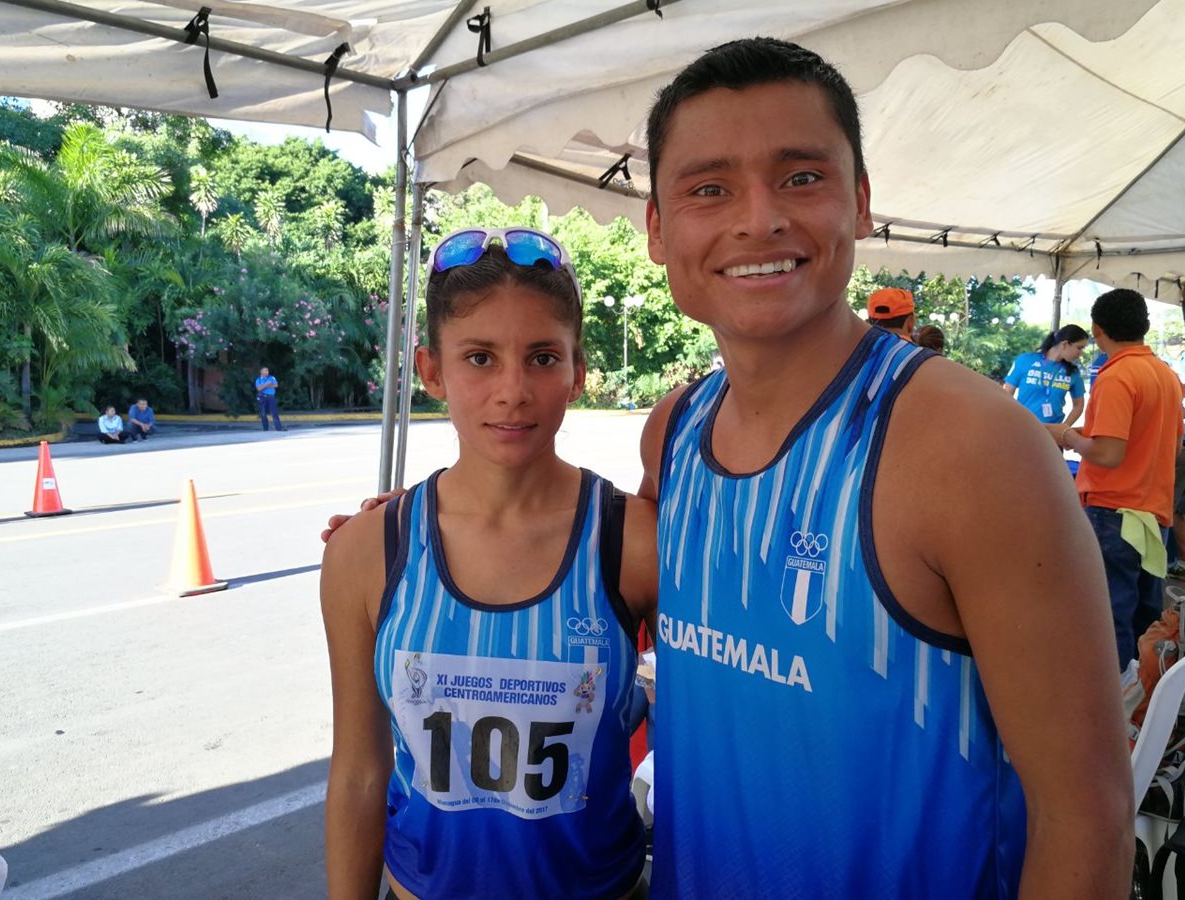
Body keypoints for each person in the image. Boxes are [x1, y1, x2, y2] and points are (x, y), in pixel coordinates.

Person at [326, 37, 1132, 899]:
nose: (758, 219)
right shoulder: (675, 432)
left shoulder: (973, 448)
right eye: (710, 188)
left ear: (860, 202)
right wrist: (410, 534)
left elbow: (1085, 812)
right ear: (659, 230)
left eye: (801, 177)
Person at [319, 227, 658, 900]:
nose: (513, 390)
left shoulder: (636, 543)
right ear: (431, 371)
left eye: (541, 358)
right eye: (479, 358)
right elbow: (360, 769)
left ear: (577, 371)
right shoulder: (366, 553)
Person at [1047, 289, 1184, 670]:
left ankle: (1116, 705)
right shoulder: (1166, 375)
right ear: (1144, 326)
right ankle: (1143, 699)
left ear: (1097, 329)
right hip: (1152, 513)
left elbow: (1108, 454)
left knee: (1110, 617)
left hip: (1114, 511)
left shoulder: (1117, 375)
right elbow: (1171, 450)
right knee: (1146, 618)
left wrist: (1067, 436)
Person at [1002, 324, 1089, 425]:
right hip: (1023, 427)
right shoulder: (1025, 360)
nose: (1081, 353)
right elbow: (1006, 394)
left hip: (1052, 432)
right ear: (1065, 344)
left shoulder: (1073, 372)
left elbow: (1078, 405)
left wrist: (1064, 428)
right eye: (1079, 347)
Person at [255, 366, 286, 432]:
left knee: (274, 413)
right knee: (263, 413)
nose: (267, 372)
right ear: (261, 371)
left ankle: (278, 428)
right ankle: (265, 428)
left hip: (271, 397)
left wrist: (264, 386)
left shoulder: (272, 378)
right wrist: (267, 384)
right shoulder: (258, 380)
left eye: (267, 371)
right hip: (263, 397)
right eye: (265, 371)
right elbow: (259, 389)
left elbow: (276, 385)